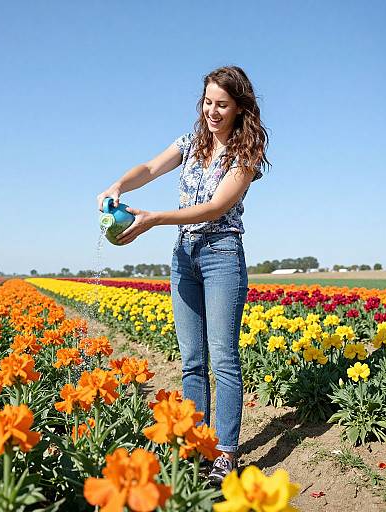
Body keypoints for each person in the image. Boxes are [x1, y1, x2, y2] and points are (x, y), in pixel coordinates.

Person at [97, 65, 270, 484]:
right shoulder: (191, 143)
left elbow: (214, 208)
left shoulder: (245, 155)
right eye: (208, 102)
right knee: (192, 360)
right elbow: (151, 168)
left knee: (223, 358)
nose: (212, 111)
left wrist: (155, 218)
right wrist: (118, 185)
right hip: (184, 256)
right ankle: (196, 445)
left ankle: (225, 452)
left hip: (221, 254)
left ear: (239, 107)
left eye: (222, 105)